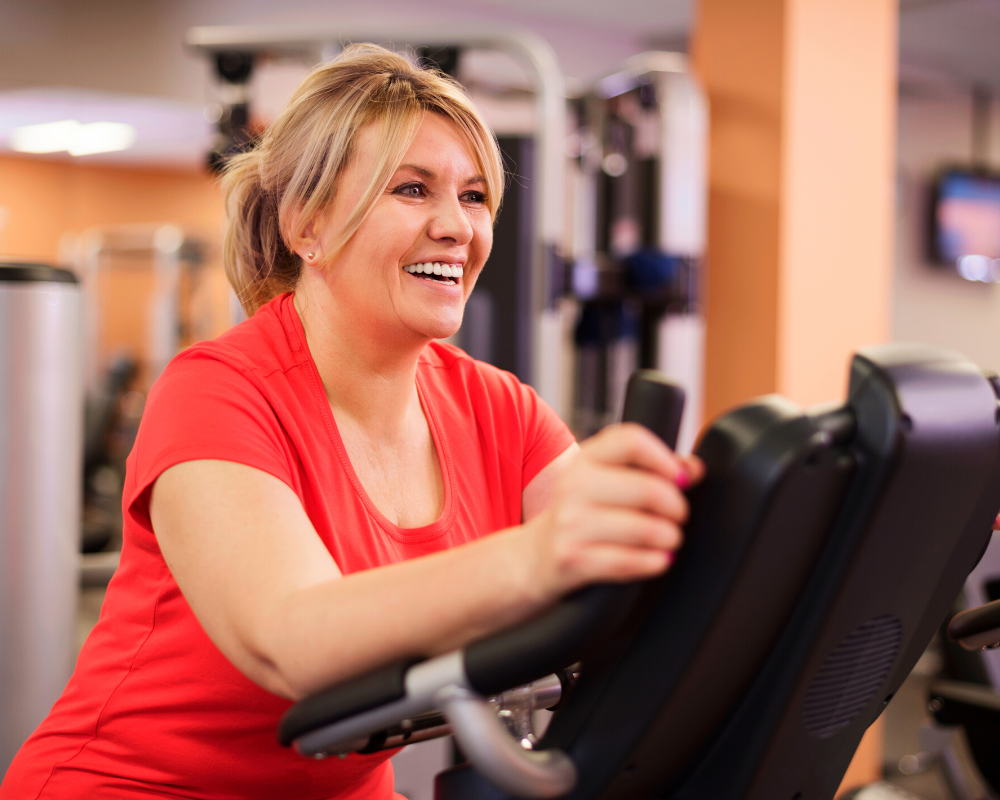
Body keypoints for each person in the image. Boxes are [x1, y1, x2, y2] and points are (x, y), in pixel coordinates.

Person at [1, 45, 700, 800]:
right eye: (412, 189)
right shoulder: (218, 391)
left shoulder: (500, 409)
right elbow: (291, 639)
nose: (456, 227)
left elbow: (642, 584)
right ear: (309, 224)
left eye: (473, 197)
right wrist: (541, 557)